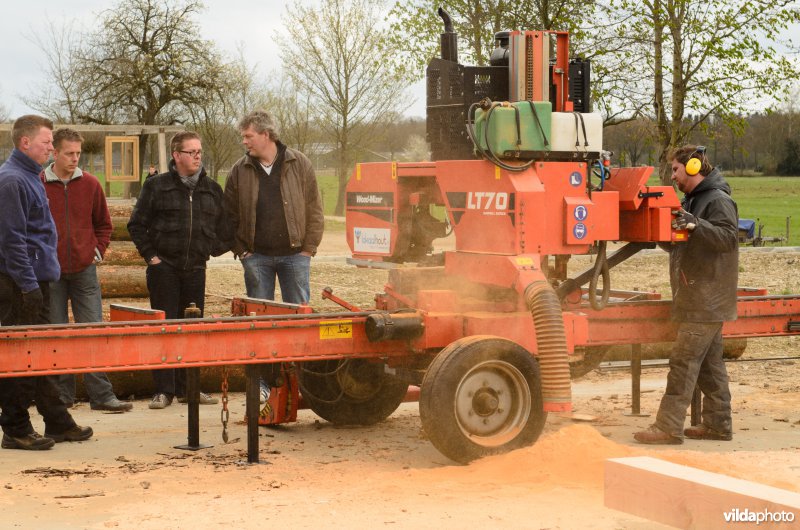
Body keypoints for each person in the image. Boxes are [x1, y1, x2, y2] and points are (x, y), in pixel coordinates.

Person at [634, 145, 739, 445]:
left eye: (677, 169)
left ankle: (667, 427)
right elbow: (688, 243)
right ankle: (719, 426)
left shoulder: (717, 200)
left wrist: (696, 224)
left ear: (694, 167)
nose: (673, 175)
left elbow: (728, 239)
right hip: (700, 298)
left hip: (706, 299)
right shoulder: (692, 201)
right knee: (709, 367)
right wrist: (664, 235)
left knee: (682, 361)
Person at [0, 115, 93, 450]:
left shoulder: (30, 176)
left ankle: (56, 420)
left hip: (34, 280)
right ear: (25, 143)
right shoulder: (12, 181)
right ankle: (15, 428)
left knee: (38, 355)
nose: (51, 148)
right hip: (18, 284)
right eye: (46, 142)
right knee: (19, 358)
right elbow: (12, 241)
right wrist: (27, 287)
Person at [223, 110, 324, 402]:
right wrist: (242, 250)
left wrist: (308, 249)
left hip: (295, 257)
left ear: (266, 135)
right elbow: (228, 215)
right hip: (257, 259)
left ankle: (304, 384)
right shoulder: (239, 170)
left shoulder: (299, 163)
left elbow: (315, 208)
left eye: (248, 136)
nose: (244, 142)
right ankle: (263, 385)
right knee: (259, 325)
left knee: (299, 320)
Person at [128, 131, 229, 409]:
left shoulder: (211, 189)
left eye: (199, 151)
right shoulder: (156, 186)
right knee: (164, 327)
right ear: (176, 155)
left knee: (193, 329)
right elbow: (136, 224)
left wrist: (209, 249)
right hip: (165, 269)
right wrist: (152, 258)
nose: (197, 156)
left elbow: (225, 229)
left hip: (195, 269)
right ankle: (164, 390)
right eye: (191, 152)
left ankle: (190, 388)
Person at [43, 128, 132, 412]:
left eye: (78, 153)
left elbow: (103, 224)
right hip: (50, 273)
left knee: (92, 331)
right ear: (54, 153)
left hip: (84, 270)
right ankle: (61, 397)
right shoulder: (38, 183)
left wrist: (97, 250)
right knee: (56, 335)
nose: (74, 158)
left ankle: (102, 395)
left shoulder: (91, 184)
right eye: (69, 153)